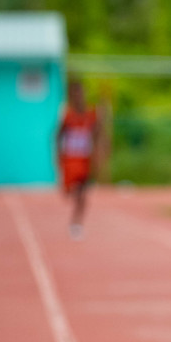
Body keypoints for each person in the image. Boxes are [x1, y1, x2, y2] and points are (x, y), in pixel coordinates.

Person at [56, 80, 102, 238]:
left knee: (82, 193)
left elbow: (98, 134)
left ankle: (77, 222)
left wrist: (97, 156)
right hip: (70, 158)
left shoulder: (91, 114)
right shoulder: (67, 114)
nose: (79, 96)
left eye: (81, 93)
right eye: (75, 94)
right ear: (71, 96)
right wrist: (58, 157)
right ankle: (69, 192)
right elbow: (58, 135)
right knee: (70, 192)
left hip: (84, 159)